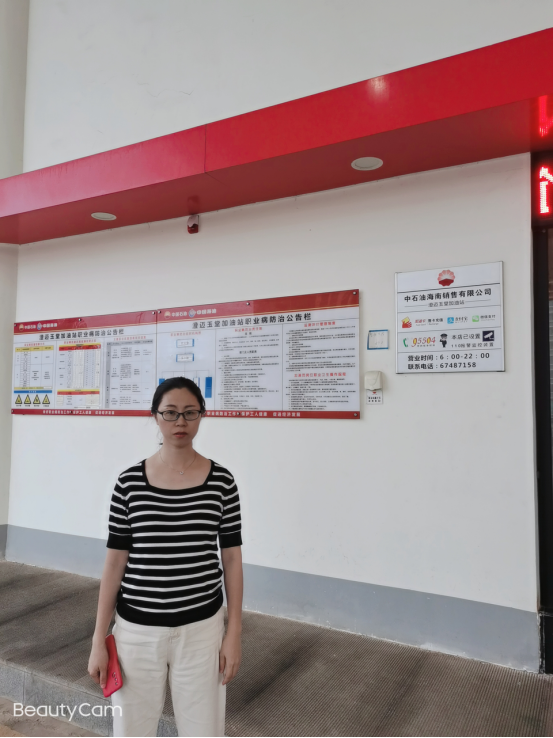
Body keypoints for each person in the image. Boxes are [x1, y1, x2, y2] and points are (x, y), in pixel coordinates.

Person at [87, 377, 243, 737]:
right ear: (155, 416)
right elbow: (115, 562)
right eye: (170, 413)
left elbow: (232, 559)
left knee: (203, 731)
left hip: (202, 631)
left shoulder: (222, 482)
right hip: (136, 633)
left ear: (202, 415)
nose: (180, 422)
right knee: (131, 731)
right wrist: (98, 639)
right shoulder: (129, 483)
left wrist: (233, 632)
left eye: (190, 412)